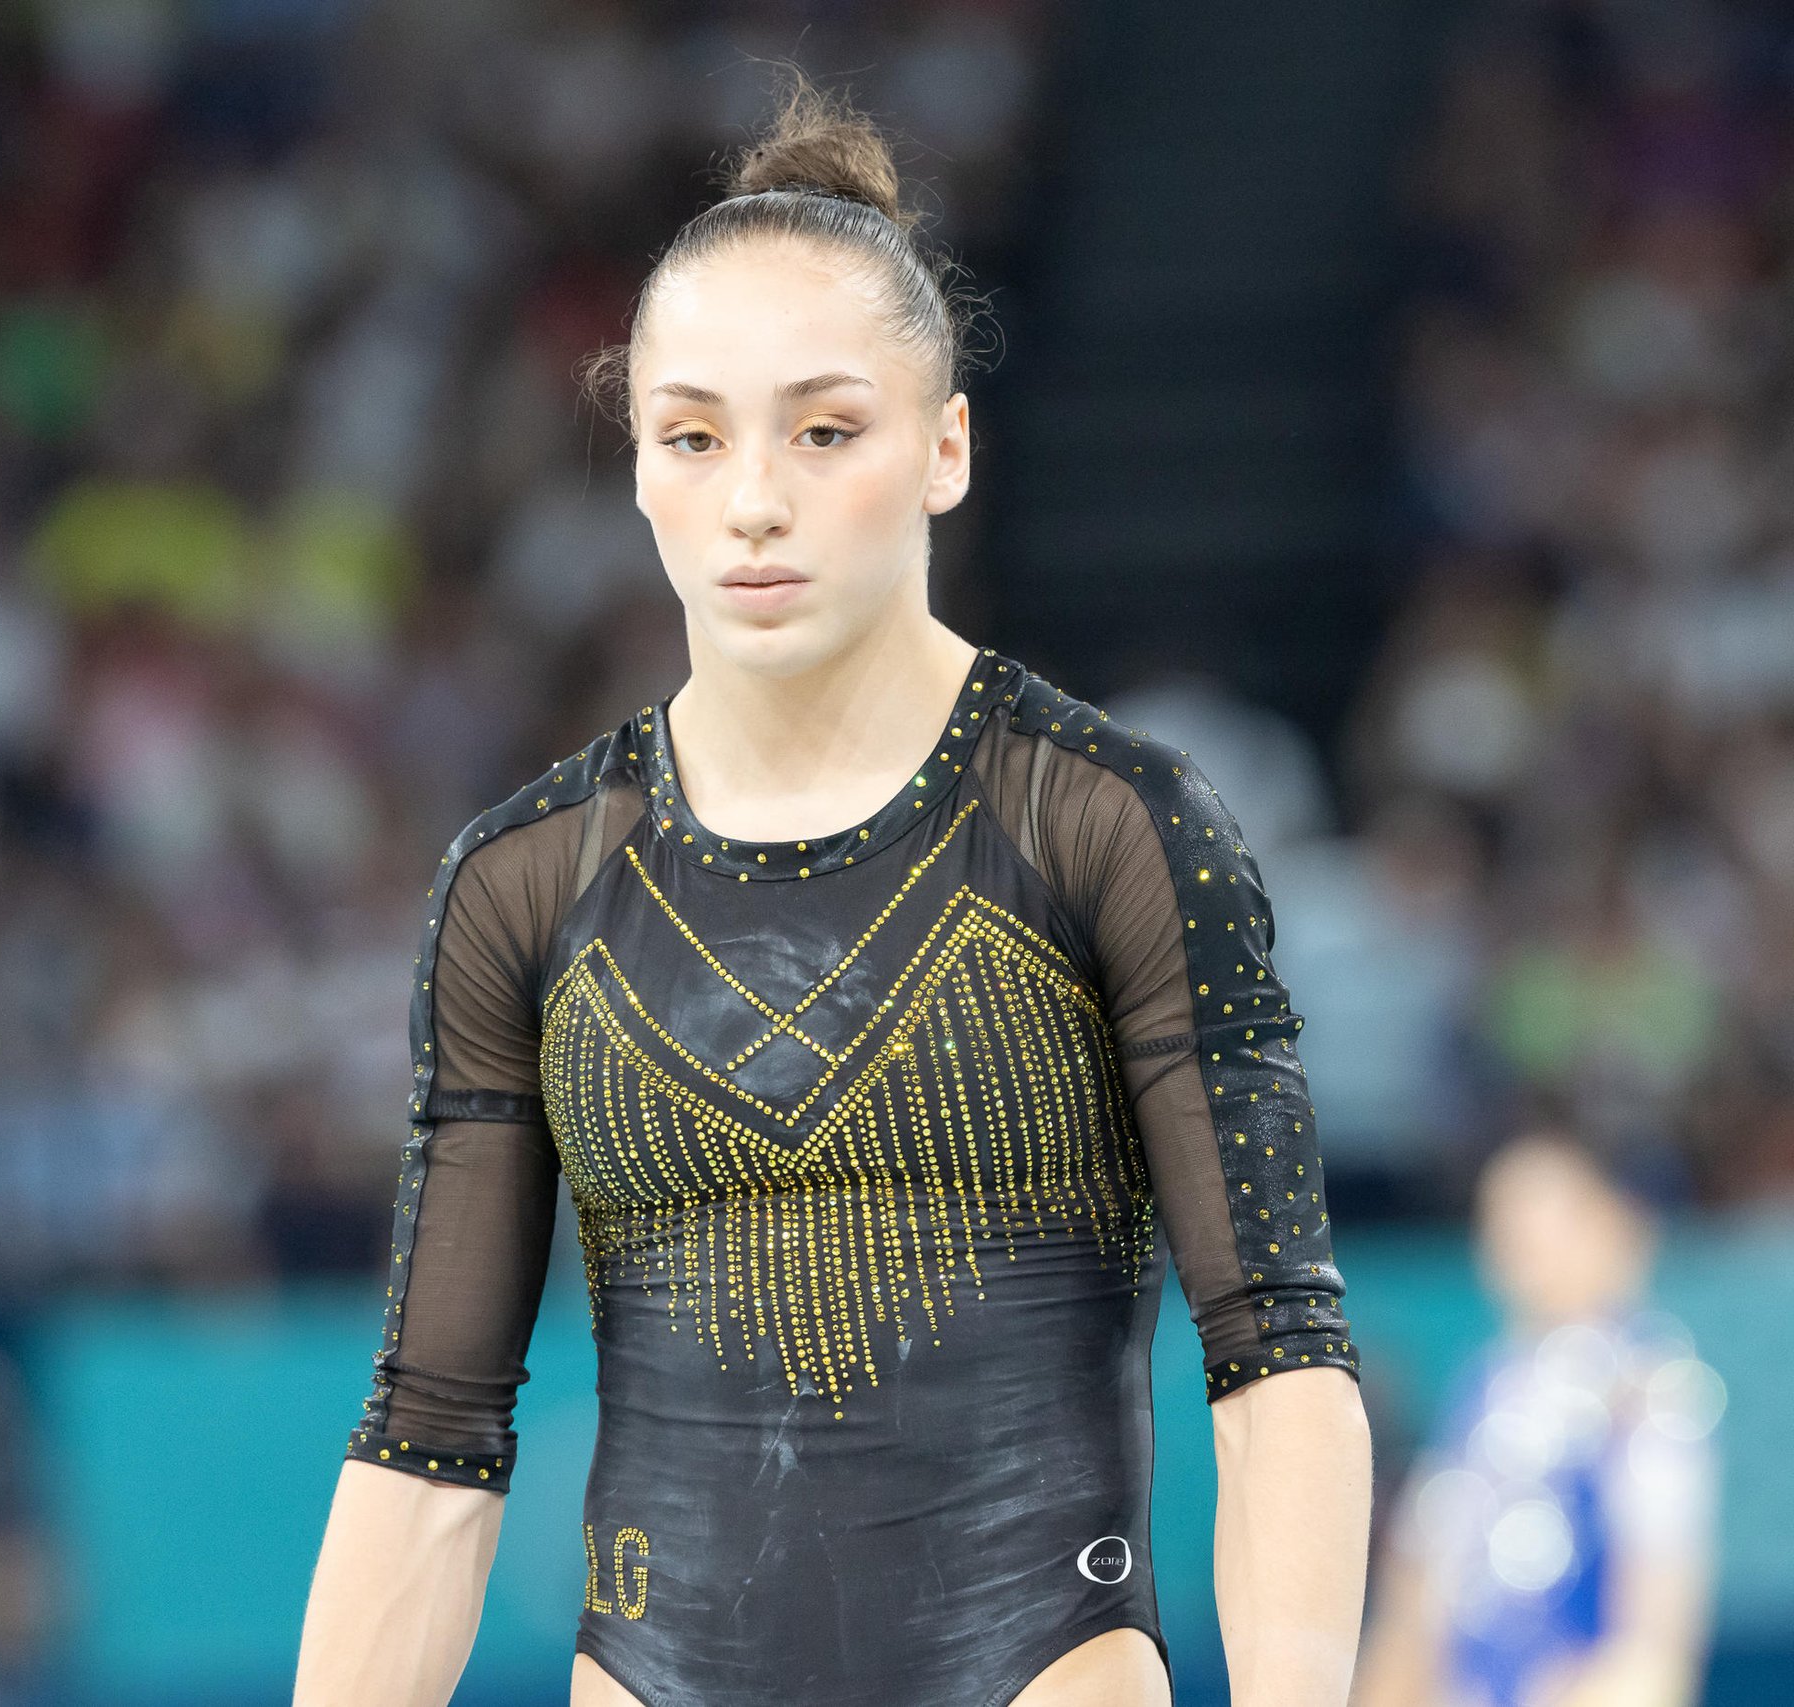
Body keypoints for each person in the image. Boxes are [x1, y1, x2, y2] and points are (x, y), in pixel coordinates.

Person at [294, 71, 1373, 1707]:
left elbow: (1278, 1353)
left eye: (824, 429)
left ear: (946, 447)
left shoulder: (1109, 824)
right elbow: (430, 1438)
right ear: (637, 462)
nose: (753, 498)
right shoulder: (524, 884)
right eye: (693, 435)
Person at [1350, 1130, 1723, 1707]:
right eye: (1508, 1227)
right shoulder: (1485, 1391)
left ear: (1612, 1228)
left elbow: (1657, 1631)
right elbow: (1416, 1597)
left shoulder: (1645, 1386)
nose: (1529, 1248)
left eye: (1554, 1223)